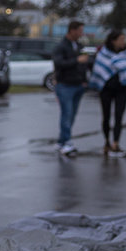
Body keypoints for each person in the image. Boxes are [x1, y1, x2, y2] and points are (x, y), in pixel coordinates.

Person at [87, 28, 126, 157]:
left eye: (124, 39)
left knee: (119, 117)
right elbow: (98, 70)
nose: (123, 42)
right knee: (106, 117)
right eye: (121, 39)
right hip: (106, 89)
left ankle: (116, 143)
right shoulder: (103, 54)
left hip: (122, 89)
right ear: (113, 41)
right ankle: (106, 142)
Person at [52, 20, 90, 156]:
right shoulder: (61, 46)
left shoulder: (79, 46)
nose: (81, 34)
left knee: (72, 115)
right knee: (66, 114)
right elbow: (59, 63)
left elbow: (83, 65)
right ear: (72, 30)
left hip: (78, 85)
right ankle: (67, 142)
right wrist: (76, 60)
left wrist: (84, 80)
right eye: (80, 31)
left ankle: (62, 141)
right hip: (65, 85)